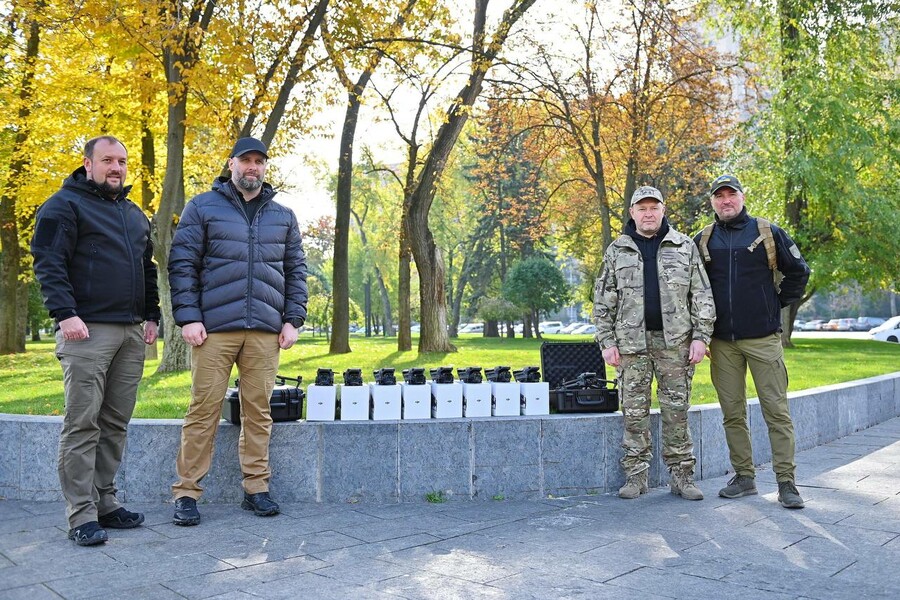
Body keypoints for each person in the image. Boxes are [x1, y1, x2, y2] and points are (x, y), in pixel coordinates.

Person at [168, 136, 307, 525]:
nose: (253, 167)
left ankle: (256, 489)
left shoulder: (283, 215)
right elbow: (182, 264)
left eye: (259, 162)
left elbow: (296, 270)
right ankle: (186, 493)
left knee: (258, 413)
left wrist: (292, 318)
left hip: (265, 330)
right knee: (203, 410)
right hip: (213, 330)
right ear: (231, 164)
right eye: (246, 160)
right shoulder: (202, 206)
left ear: (265, 167)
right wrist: (189, 317)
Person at [31, 136, 160, 546]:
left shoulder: (134, 214)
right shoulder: (62, 205)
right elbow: (48, 260)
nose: (116, 168)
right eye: (107, 160)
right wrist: (65, 313)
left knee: (115, 423)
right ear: (88, 164)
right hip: (85, 330)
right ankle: (81, 515)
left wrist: (153, 315)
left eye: (122, 161)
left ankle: (106, 503)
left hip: (131, 332)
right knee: (82, 424)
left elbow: (147, 267)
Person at [695, 174, 810, 509]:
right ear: (712, 202)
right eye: (719, 196)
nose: (726, 201)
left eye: (731, 195)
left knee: (776, 412)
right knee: (732, 413)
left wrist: (776, 304)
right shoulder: (703, 239)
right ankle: (744, 477)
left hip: (762, 339)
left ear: (742, 197)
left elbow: (798, 271)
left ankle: (787, 483)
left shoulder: (766, 232)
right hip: (722, 343)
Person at [594, 186, 716, 501]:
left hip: (675, 343)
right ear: (632, 213)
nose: (649, 214)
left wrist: (701, 337)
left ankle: (682, 477)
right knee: (634, 413)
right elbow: (602, 302)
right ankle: (636, 478)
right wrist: (607, 342)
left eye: (654, 208)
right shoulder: (617, 250)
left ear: (663, 210)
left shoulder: (684, 246)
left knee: (677, 411)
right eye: (642, 208)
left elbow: (701, 295)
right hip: (631, 345)